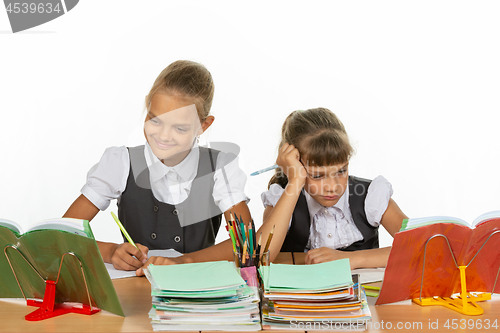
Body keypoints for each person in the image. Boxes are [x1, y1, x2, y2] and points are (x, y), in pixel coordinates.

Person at [64, 60, 251, 275]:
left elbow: (246, 244)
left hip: (198, 292)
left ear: (204, 125)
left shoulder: (220, 168)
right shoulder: (120, 162)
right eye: (155, 121)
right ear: (148, 105)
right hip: (133, 289)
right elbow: (61, 234)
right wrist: (110, 251)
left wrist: (185, 261)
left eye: (179, 128)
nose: (163, 136)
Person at [259, 108, 408, 269]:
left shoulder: (370, 196)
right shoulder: (283, 197)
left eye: (341, 171)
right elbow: (261, 257)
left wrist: (351, 259)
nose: (333, 187)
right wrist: (295, 181)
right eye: (317, 176)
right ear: (295, 166)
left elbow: (424, 247)